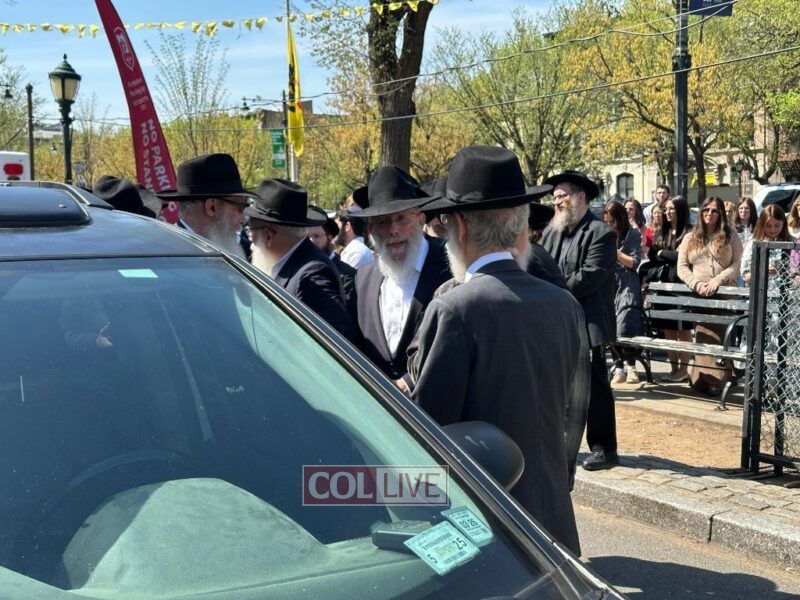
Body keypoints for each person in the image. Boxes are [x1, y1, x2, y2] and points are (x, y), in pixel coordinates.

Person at [410, 146, 589, 556]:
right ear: (521, 227)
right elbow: (575, 413)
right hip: (554, 520)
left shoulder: (454, 308)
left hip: (484, 526)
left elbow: (429, 433)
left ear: (459, 227)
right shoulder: (564, 304)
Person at [541, 170, 618, 472]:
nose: (557, 202)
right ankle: (557, 442)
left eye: (562, 196)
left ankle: (604, 448)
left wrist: (549, 291)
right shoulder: (552, 232)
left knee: (595, 387)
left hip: (588, 321)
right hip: (556, 319)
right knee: (558, 385)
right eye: (555, 198)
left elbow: (589, 276)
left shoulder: (601, 233)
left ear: (580, 197)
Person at [349, 166, 451, 389]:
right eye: (383, 222)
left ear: (421, 219)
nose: (393, 230)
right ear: (370, 228)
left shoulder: (450, 267)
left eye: (401, 218)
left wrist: (409, 381)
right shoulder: (363, 279)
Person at [247, 179, 360, 345]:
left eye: (251, 231)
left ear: (268, 235)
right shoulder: (294, 262)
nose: (250, 239)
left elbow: (339, 339)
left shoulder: (312, 274)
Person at [677, 196, 743, 396]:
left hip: (724, 295)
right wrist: (696, 284)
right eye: (706, 209)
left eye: (714, 210)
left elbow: (738, 263)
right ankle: (702, 378)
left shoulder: (731, 235)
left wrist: (718, 281)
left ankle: (718, 380)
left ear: (721, 213)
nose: (709, 213)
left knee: (720, 337)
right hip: (700, 296)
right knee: (704, 336)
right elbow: (682, 267)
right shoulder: (690, 237)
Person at [156, 153, 253, 258]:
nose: (243, 219)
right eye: (240, 208)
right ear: (211, 207)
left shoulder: (245, 250)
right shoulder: (160, 255)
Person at [647, 195, 693, 382]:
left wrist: (662, 252)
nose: (667, 212)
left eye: (671, 209)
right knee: (668, 330)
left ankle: (684, 369)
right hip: (663, 285)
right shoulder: (661, 232)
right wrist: (666, 254)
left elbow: (682, 258)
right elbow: (652, 257)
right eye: (665, 209)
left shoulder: (690, 232)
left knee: (683, 330)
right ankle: (674, 368)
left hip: (681, 285)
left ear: (680, 210)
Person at [603, 201, 644, 385]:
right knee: (610, 326)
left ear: (620, 219)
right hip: (610, 283)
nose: (610, 226)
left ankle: (631, 367)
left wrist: (615, 253)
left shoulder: (632, 234)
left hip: (627, 283)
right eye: (607, 222)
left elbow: (634, 263)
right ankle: (619, 367)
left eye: (612, 222)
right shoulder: (604, 234)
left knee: (625, 326)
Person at [308, 209, 357, 306]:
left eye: (317, 236)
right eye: (306, 237)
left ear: (329, 238)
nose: (311, 241)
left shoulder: (347, 275)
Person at [741, 204, 799, 285]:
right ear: (762, 225)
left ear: (783, 223)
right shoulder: (754, 244)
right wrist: (764, 271)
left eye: (777, 226)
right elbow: (746, 274)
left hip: (787, 290)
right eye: (768, 226)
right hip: (760, 289)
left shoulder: (793, 243)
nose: (773, 230)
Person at [335, 196, 375, 269]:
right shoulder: (353, 250)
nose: (334, 231)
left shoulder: (357, 253)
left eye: (337, 225)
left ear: (347, 226)